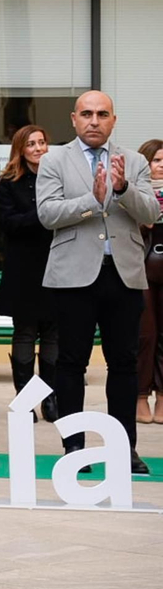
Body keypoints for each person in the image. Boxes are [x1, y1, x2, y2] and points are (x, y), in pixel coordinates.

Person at [36, 91, 159, 475]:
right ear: (73, 119)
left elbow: (152, 212)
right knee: (71, 364)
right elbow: (47, 214)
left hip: (123, 274)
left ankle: (125, 450)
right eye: (86, 114)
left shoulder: (135, 161)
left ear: (113, 120)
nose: (94, 121)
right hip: (73, 276)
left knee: (123, 363)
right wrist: (92, 198)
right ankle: (75, 449)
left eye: (102, 114)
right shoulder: (54, 159)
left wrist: (122, 190)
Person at [0, 124, 58, 422]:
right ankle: (25, 401)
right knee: (24, 333)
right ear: (21, 149)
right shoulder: (8, 182)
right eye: (31, 144)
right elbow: (8, 224)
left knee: (53, 334)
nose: (38, 148)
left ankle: (51, 400)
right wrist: (44, 216)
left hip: (57, 263)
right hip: (23, 267)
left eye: (42, 142)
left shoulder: (60, 177)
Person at [136, 139, 163, 425]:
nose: (162, 165)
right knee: (145, 335)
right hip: (142, 270)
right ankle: (140, 395)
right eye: (156, 160)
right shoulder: (134, 192)